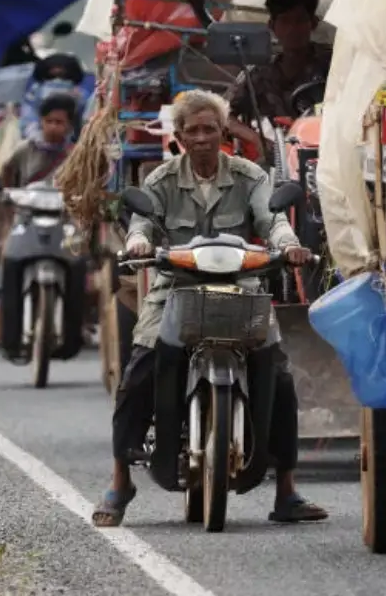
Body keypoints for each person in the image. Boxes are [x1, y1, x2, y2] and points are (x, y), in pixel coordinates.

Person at [91, 89, 327, 528]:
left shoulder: (250, 176)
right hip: (175, 290)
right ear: (178, 136)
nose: (202, 137)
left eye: (210, 128)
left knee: (278, 375)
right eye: (192, 130)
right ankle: (121, 480)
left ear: (224, 133)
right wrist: (139, 241)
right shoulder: (160, 180)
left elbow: (272, 219)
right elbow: (143, 221)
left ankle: (287, 489)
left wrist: (288, 245)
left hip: (242, 288)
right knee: (138, 371)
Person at [0, 93, 79, 346]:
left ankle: (75, 325)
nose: (54, 127)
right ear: (41, 122)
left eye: (60, 123)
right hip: (28, 215)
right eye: (49, 121)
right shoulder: (26, 148)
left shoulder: (74, 153)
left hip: (63, 216)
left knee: (79, 260)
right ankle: (2, 322)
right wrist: (10, 194)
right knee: (10, 261)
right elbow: (8, 169)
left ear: (69, 126)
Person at [223, 0, 333, 159]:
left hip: (327, 152)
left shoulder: (331, 63)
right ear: (272, 26)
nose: (293, 29)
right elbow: (223, 113)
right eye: (285, 21)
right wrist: (257, 140)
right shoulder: (259, 72)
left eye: (300, 20)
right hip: (279, 157)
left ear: (312, 23)